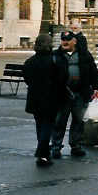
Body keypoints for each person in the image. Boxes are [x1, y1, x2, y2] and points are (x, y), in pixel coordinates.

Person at [52, 29, 98, 158]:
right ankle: (56, 147)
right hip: (62, 94)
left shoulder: (84, 54)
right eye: (63, 40)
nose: (65, 42)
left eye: (67, 40)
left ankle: (76, 146)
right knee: (59, 122)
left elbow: (93, 71)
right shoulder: (55, 55)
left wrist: (97, 87)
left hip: (80, 93)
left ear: (74, 41)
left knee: (78, 121)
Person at [23, 34, 66, 166]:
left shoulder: (30, 62)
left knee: (39, 125)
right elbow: (62, 78)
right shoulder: (55, 60)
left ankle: (43, 153)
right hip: (51, 98)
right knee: (48, 125)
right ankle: (42, 153)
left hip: (35, 98)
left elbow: (27, 79)